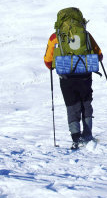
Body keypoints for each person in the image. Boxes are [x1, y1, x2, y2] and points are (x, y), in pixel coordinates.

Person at [44, 21, 103, 150]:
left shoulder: (55, 37)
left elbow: (48, 62)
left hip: (66, 77)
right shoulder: (85, 34)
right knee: (86, 104)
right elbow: (99, 54)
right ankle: (87, 136)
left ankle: (76, 138)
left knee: (72, 106)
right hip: (85, 75)